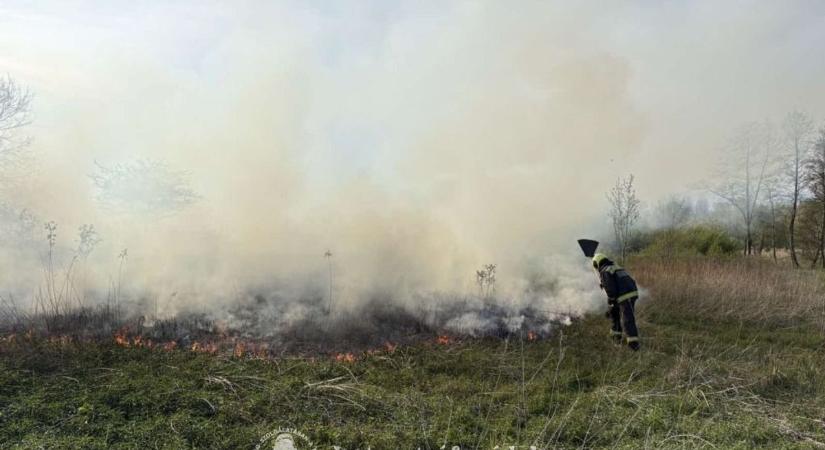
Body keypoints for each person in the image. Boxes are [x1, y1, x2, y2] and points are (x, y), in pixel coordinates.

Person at [592, 253, 640, 351]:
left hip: (623, 296)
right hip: (631, 293)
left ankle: (633, 345)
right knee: (615, 314)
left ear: (598, 264)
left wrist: (611, 300)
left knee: (627, 319)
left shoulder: (605, 271)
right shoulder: (616, 267)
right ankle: (616, 337)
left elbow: (611, 289)